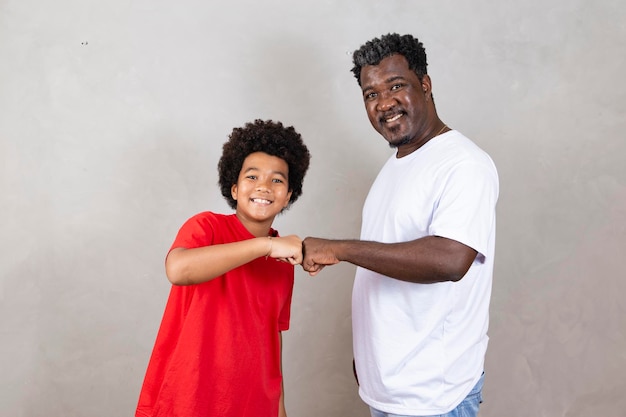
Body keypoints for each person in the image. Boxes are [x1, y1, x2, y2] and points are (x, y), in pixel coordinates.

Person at [302, 33, 499, 417]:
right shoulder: (395, 166)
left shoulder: (463, 163)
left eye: (395, 86)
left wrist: (339, 249)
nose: (384, 103)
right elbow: (386, 265)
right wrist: (372, 359)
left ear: (425, 85)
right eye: (371, 94)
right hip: (392, 391)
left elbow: (450, 259)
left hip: (433, 399)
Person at [136, 119, 311, 417]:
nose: (263, 187)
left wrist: (280, 410)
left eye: (277, 180)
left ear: (289, 196)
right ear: (233, 188)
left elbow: (272, 338)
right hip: (187, 400)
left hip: (253, 405)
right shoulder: (206, 227)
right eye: (252, 176)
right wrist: (265, 247)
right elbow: (178, 270)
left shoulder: (284, 262)